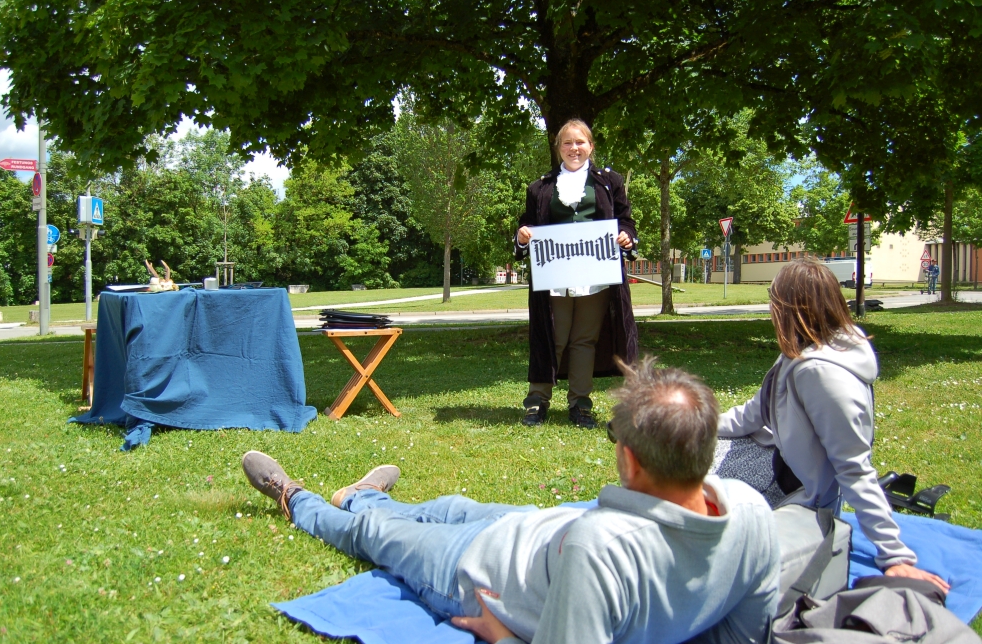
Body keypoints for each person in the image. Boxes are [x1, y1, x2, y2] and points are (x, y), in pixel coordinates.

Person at [242, 358, 781, 644]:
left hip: (475, 573)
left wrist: (503, 638)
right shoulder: (751, 511)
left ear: (632, 461)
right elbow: (741, 636)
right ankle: (363, 497)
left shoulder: (604, 551)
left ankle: (298, 498)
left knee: (377, 537)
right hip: (535, 531)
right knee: (448, 506)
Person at [714, 259, 949, 593]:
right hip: (775, 459)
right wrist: (694, 425)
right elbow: (753, 414)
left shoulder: (823, 375)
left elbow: (853, 467)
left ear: (790, 307)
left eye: (774, 299)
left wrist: (895, 556)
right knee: (683, 454)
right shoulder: (800, 349)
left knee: (690, 489)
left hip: (797, 494)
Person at [514, 119, 638, 428]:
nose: (574, 148)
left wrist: (625, 237)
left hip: (594, 275)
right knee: (551, 336)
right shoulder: (540, 187)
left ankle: (580, 403)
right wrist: (522, 236)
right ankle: (538, 401)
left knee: (584, 339)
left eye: (580, 142)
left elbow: (625, 220)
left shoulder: (610, 182)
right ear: (558, 149)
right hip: (553, 276)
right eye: (567, 143)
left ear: (591, 146)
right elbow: (526, 224)